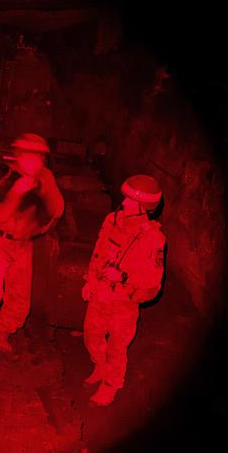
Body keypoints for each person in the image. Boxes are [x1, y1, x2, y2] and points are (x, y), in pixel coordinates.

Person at [0, 133, 64, 354]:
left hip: (23, 245)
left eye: (38, 156)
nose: (34, 160)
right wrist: (16, 193)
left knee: (19, 298)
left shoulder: (45, 177)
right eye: (29, 155)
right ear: (18, 155)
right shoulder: (1, 175)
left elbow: (57, 209)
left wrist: (45, 191)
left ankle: (1, 336)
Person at [82, 174, 166, 406]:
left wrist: (124, 277)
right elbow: (98, 252)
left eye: (131, 200)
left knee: (117, 348)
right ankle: (101, 367)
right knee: (91, 336)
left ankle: (110, 386)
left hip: (123, 303)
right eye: (126, 198)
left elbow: (152, 284)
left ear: (144, 208)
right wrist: (90, 281)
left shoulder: (153, 239)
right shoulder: (112, 220)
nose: (124, 202)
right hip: (100, 293)